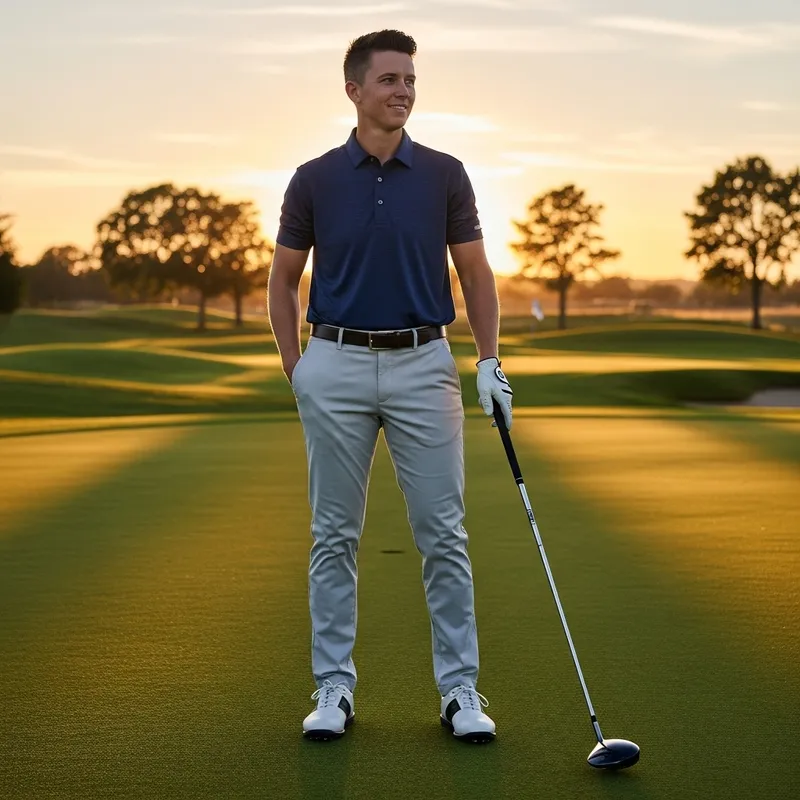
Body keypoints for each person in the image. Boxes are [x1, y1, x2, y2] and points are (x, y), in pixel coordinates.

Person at [267, 29, 514, 744]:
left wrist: (490, 361)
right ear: (354, 89)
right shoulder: (314, 178)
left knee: (444, 533)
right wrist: (298, 367)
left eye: (410, 79)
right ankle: (334, 689)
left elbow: (475, 274)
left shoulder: (444, 173)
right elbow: (283, 281)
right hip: (335, 363)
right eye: (389, 80)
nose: (403, 90)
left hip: (423, 362)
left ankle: (460, 691)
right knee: (333, 536)